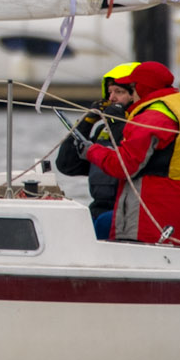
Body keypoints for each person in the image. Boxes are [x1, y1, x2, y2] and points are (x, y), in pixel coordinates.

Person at [84, 61, 180, 245]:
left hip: (149, 214)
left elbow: (123, 167)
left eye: (132, 88)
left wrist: (91, 150)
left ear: (141, 87)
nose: (132, 94)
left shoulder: (152, 117)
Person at [54, 62, 136, 240]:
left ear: (135, 95)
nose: (112, 98)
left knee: (103, 224)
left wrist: (117, 120)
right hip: (98, 208)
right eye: (110, 92)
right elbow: (67, 166)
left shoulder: (142, 128)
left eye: (119, 92)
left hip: (127, 212)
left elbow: (129, 155)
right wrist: (87, 122)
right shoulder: (102, 131)